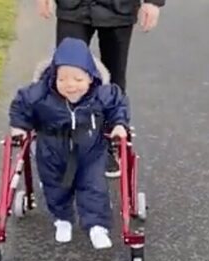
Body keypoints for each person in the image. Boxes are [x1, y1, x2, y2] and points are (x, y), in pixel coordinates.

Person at [9, 38, 130, 250]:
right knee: (55, 187)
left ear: (91, 77)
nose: (70, 85)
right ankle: (62, 219)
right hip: (51, 150)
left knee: (93, 186)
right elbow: (21, 105)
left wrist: (119, 124)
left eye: (78, 79)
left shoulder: (102, 94)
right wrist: (19, 126)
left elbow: (118, 104)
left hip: (90, 150)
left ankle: (97, 226)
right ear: (53, 76)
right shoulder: (40, 94)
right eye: (62, 79)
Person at [37, 0, 164, 177]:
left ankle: (108, 140)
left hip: (119, 7)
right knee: (67, 73)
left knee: (114, 77)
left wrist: (153, 2)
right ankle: (66, 144)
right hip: (73, 7)